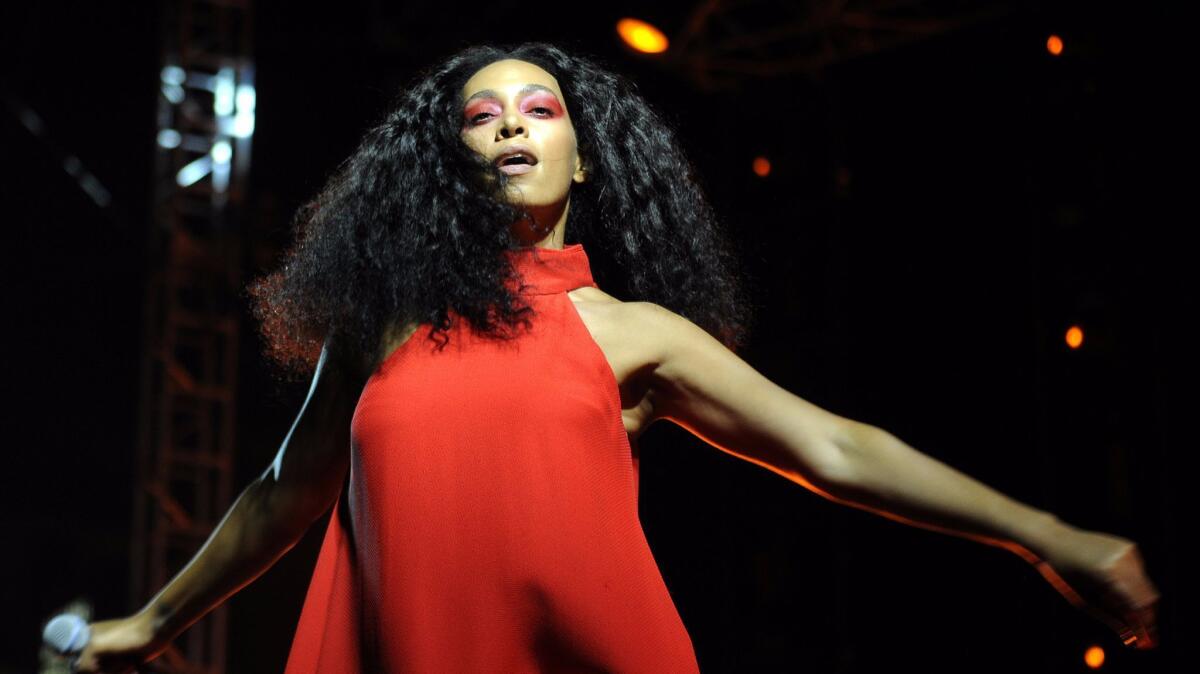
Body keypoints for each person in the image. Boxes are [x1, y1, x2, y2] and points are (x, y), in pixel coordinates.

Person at [71, 42, 1160, 673]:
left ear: (580, 156)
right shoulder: (383, 319)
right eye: (479, 116)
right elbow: (282, 490)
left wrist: (1047, 533)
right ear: (448, 160)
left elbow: (834, 445)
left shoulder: (631, 332)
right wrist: (153, 619)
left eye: (538, 110)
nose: (509, 126)